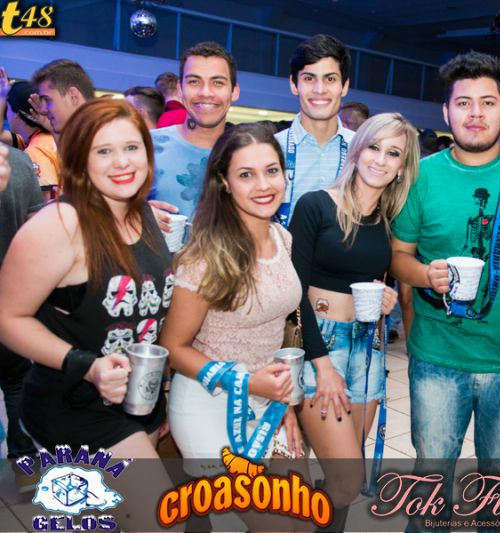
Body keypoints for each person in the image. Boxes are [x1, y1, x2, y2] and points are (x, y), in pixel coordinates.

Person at [391, 51, 500, 532]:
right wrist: (426, 275)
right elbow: (398, 256)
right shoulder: (421, 175)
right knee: (430, 485)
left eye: (488, 102)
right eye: (463, 103)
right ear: (446, 112)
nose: (476, 114)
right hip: (438, 356)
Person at [0, 99, 173, 529]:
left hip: (139, 403)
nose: (122, 162)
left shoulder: (144, 214)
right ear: (80, 159)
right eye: (104, 151)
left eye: (131, 148)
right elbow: (7, 317)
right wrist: (88, 366)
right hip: (76, 406)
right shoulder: (60, 225)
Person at [161, 122, 309, 530]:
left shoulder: (282, 238)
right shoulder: (206, 256)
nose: (263, 185)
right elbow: (173, 347)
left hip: (267, 401)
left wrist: (283, 403)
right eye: (246, 174)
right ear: (224, 183)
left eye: (272, 171)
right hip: (209, 402)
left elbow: (275, 327)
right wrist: (247, 382)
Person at [288, 112, 417, 528]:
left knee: (343, 476)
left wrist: (386, 296)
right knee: (345, 482)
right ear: (358, 149)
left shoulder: (389, 222)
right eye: (374, 147)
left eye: (393, 153)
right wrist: (321, 364)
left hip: (367, 347)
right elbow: (294, 293)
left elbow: (376, 278)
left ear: (402, 166)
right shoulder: (315, 205)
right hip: (319, 343)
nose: (381, 159)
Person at [148, 41, 239, 225]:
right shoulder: (146, 146)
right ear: (180, 89)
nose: (205, 92)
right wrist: (137, 213)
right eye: (194, 82)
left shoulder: (246, 154)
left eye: (218, 83)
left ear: (234, 92)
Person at [275, 34, 355, 225]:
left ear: (344, 86)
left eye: (330, 79)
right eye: (309, 78)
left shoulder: (362, 150)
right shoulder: (272, 149)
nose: (320, 89)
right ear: (294, 85)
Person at [0, 145, 41, 462]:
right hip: (11, 296)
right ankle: (24, 459)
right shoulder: (19, 159)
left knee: (16, 379)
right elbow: (35, 231)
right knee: (15, 380)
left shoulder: (16, 160)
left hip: (12, 299)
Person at [0, 75, 59, 186]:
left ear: (17, 114)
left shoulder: (36, 152)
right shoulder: (42, 137)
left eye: (7, 109)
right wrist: (3, 95)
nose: (6, 115)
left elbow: (45, 196)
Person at [31, 59, 95, 142]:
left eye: (47, 100)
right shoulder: (90, 136)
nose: (43, 110)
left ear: (73, 96)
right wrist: (55, 132)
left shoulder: (103, 138)